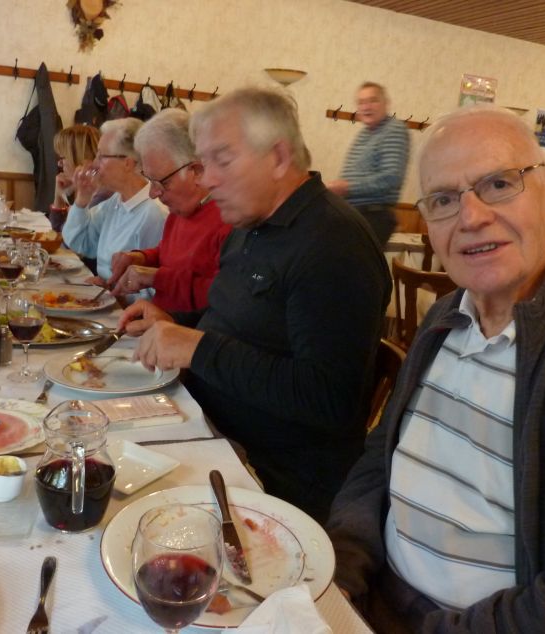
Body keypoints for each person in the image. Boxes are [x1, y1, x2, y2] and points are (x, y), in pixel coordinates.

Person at [326, 105, 545, 632]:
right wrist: (341, 571)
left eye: (499, 184)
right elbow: (380, 460)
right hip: (370, 598)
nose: (471, 217)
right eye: (443, 199)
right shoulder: (445, 317)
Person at [118, 87, 388, 523]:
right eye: (203, 164)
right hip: (208, 426)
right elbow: (233, 322)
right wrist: (172, 321)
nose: (207, 180)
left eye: (221, 161)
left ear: (278, 157)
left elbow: (329, 401)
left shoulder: (334, 244)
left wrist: (197, 348)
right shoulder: (249, 224)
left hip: (272, 475)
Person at [108, 109, 231, 312]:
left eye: (162, 183)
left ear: (196, 171)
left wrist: (157, 278)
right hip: (159, 320)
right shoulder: (181, 209)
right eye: (150, 180)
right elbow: (172, 256)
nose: (153, 194)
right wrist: (141, 258)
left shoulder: (229, 219)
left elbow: (223, 296)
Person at [62, 117, 167, 281]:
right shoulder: (116, 201)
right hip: (107, 294)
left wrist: (109, 287)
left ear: (127, 163)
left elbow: (151, 285)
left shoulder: (153, 213)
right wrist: (83, 198)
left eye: (101, 156)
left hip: (121, 298)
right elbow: (80, 243)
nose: (94, 163)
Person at [327, 82, 409, 248]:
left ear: (386, 103)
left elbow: (391, 178)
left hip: (372, 216)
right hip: (355, 214)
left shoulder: (394, 129)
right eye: (361, 102)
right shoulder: (363, 134)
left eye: (373, 100)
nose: (366, 107)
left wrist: (347, 187)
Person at [50, 124, 102, 233]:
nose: (59, 164)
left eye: (63, 157)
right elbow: (58, 230)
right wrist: (59, 196)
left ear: (80, 157)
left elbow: (68, 236)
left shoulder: (99, 195)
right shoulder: (87, 186)